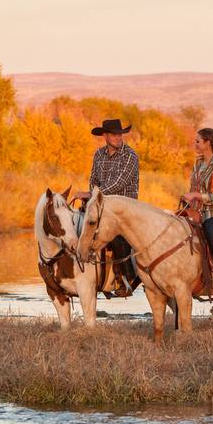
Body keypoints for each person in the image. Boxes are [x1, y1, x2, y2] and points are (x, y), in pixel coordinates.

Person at [75, 119, 139, 295]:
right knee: (79, 226)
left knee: (116, 236)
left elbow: (119, 183)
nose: (118, 137)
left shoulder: (130, 156)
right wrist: (92, 195)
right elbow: (93, 180)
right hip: (102, 206)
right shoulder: (99, 155)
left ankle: (127, 278)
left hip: (124, 208)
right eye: (114, 134)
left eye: (120, 134)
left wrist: (92, 195)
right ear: (105, 136)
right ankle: (87, 275)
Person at [181, 127, 213, 289]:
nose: (194, 143)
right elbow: (193, 187)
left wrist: (196, 196)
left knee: (212, 235)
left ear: (207, 143)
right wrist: (188, 199)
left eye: (197, 141)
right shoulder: (198, 164)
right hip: (194, 211)